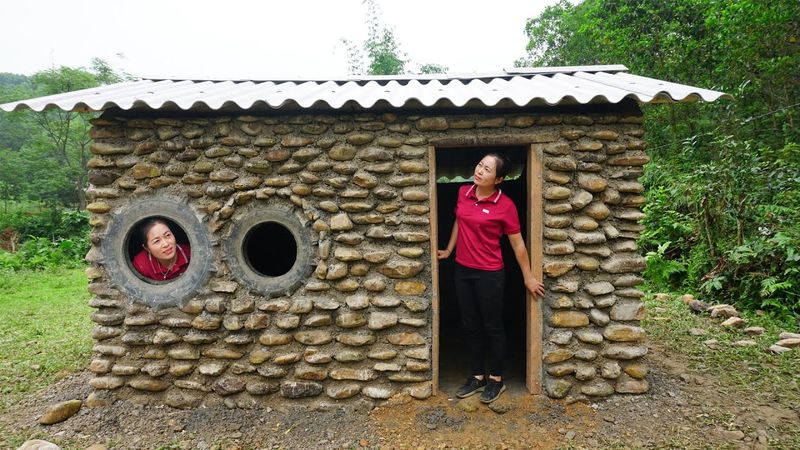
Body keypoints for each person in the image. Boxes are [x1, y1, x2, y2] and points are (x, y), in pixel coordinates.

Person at [437, 153, 545, 404]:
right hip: (463, 270)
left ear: (498, 179)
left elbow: (518, 245)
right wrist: (449, 250)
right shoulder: (463, 192)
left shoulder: (505, 205)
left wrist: (528, 277)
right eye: (479, 165)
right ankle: (477, 377)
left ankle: (496, 379)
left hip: (490, 274)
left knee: (492, 326)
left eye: (487, 170)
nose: (479, 171)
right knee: (470, 325)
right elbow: (458, 221)